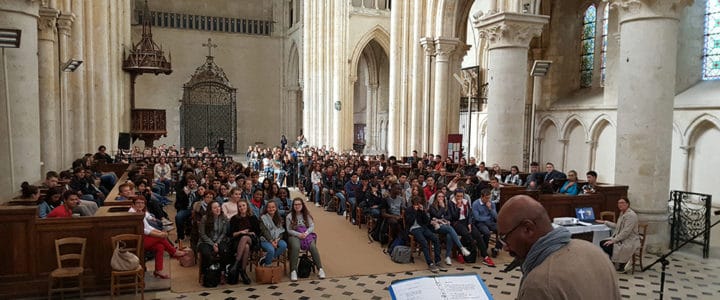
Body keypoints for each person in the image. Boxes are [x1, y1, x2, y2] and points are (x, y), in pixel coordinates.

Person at [498, 195, 620, 300]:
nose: (505, 248)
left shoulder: (539, 284)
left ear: (528, 229)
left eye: (505, 237)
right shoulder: (595, 251)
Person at [129, 197, 186, 279]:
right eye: (138, 203)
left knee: (160, 246)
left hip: (142, 237)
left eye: (142, 203)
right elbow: (143, 230)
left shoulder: (140, 212)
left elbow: (148, 227)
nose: (140, 204)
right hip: (137, 240)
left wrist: (159, 232)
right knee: (161, 238)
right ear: (133, 204)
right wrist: (159, 235)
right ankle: (173, 252)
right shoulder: (132, 214)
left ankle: (158, 270)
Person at [597, 198, 641, 272]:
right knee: (603, 242)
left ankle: (622, 263)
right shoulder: (622, 213)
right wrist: (605, 222)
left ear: (627, 204)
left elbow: (626, 232)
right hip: (622, 238)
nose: (620, 204)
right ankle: (616, 262)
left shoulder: (631, 215)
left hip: (629, 240)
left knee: (608, 245)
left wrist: (613, 240)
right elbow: (618, 226)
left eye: (622, 203)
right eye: (618, 203)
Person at [286, 198, 325, 281]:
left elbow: (312, 226)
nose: (297, 206)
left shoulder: (306, 214)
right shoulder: (289, 216)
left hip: (306, 234)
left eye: (299, 204)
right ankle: (293, 270)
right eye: (295, 204)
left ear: (302, 205)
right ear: (293, 206)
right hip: (294, 235)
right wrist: (299, 235)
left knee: (313, 247)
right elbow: (289, 230)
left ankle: (320, 269)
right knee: (296, 247)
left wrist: (306, 233)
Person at [428, 191, 471, 266]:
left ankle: (447, 256)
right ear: (436, 198)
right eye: (439, 197)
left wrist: (445, 216)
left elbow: (450, 217)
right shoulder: (432, 206)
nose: (441, 198)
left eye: (442, 197)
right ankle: (461, 247)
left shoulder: (446, 206)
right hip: (435, 226)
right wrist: (442, 208)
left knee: (449, 235)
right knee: (450, 228)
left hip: (445, 225)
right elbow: (437, 216)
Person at [405, 196, 443, 272]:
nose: (418, 205)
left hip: (423, 227)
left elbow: (426, 221)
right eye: (416, 204)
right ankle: (430, 263)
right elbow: (409, 221)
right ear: (413, 204)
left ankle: (437, 260)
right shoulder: (409, 210)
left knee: (435, 239)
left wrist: (423, 211)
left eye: (419, 204)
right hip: (414, 229)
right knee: (424, 242)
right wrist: (415, 212)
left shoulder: (421, 209)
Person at [228, 199, 261, 285]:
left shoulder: (253, 217)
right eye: (240, 206)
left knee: (245, 238)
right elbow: (232, 234)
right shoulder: (234, 219)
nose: (242, 207)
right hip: (237, 241)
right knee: (246, 246)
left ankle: (236, 264)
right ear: (238, 208)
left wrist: (248, 233)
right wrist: (240, 232)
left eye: (243, 205)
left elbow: (257, 232)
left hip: (252, 240)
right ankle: (243, 271)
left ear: (247, 206)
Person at [198, 201, 231, 279]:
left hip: (219, 240)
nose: (218, 209)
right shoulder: (205, 218)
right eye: (215, 208)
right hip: (206, 241)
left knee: (224, 251)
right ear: (210, 210)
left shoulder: (224, 217)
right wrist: (213, 244)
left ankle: (222, 272)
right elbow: (202, 234)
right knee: (207, 253)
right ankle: (205, 274)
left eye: (219, 207)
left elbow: (224, 233)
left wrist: (217, 243)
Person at [258, 201, 288, 267]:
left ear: (276, 208)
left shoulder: (278, 217)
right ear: (266, 208)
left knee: (283, 245)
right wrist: (271, 241)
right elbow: (264, 231)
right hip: (265, 239)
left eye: (273, 207)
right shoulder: (263, 218)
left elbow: (281, 231)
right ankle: (267, 265)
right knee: (271, 249)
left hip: (277, 238)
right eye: (269, 207)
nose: (271, 209)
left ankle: (266, 259)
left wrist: (277, 240)